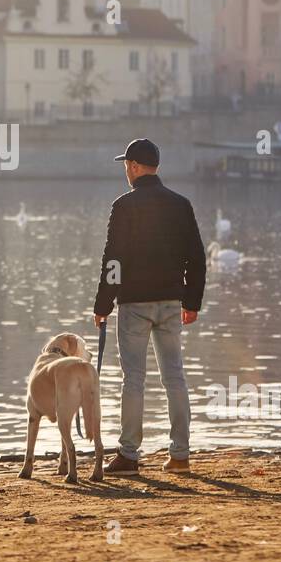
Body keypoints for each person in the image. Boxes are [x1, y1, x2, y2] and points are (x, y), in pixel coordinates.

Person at [93, 138, 206, 475]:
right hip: (172, 302)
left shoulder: (124, 206)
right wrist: (192, 301)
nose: (126, 171)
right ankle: (180, 456)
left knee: (134, 380)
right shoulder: (181, 204)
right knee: (175, 377)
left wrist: (103, 304)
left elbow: (113, 260)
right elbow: (196, 258)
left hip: (135, 306)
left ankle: (128, 455)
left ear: (135, 167)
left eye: (127, 165)